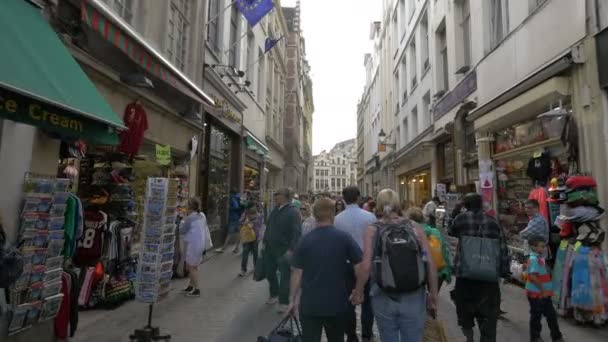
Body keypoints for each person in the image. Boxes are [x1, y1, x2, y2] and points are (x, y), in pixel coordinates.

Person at [353, 189, 438, 341]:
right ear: (398, 205)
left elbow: (366, 266)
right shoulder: (414, 227)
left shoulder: (373, 230)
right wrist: (433, 295)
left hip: (384, 295)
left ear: (378, 205)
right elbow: (428, 261)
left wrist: (358, 291)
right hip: (414, 296)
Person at [286, 198, 366, 342]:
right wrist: (358, 290)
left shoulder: (305, 240)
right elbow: (360, 266)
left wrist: (292, 299)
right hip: (336, 304)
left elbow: (296, 272)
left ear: (315, 215)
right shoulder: (344, 238)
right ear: (333, 214)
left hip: (310, 305)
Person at [448, 193, 510, 342]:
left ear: (465, 204)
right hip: (488, 278)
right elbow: (503, 248)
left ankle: (469, 339)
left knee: (465, 315)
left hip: (466, 276)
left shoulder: (460, 219)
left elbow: (450, 231)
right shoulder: (493, 222)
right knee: (488, 318)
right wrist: (504, 271)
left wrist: (456, 209)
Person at [334, 186, 377, 342]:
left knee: (348, 302)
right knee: (368, 301)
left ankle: (351, 335)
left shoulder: (338, 219)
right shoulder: (370, 217)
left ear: (343, 199)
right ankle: (367, 333)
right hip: (366, 263)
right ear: (358, 198)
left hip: (346, 265)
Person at [263, 188, 302, 312]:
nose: (274, 197)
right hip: (270, 248)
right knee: (269, 271)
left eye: (277, 195)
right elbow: (269, 226)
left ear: (285, 197)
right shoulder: (275, 210)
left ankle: (283, 301)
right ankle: (274, 294)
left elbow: (296, 233)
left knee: (285, 276)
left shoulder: (293, 212)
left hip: (283, 249)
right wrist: (264, 241)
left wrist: (291, 250)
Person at [525, 236, 564, 342]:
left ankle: (556, 336)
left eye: (544, 246)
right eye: (541, 246)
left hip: (542, 293)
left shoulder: (538, 258)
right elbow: (533, 277)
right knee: (537, 316)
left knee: (549, 315)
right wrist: (543, 290)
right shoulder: (534, 259)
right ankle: (536, 337)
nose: (543, 248)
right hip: (537, 294)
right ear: (533, 247)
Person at [406, 207, 452, 291]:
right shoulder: (435, 232)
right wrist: (447, 273)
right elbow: (444, 253)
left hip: (418, 275)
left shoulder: (409, 233)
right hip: (438, 273)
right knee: (432, 301)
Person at [180, 198, 209, 297]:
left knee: (192, 268)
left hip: (193, 245)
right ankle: (190, 285)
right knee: (191, 266)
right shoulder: (202, 215)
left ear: (190, 207)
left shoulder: (189, 218)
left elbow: (182, 231)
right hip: (200, 244)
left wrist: (182, 222)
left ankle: (197, 289)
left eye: (187, 205)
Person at [215, 189, 244, 254]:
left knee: (229, 233)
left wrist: (229, 207)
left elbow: (236, 206)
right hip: (239, 218)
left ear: (231, 193)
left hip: (234, 218)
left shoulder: (233, 198)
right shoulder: (239, 197)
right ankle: (237, 248)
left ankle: (223, 248)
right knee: (239, 233)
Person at [239, 205, 263, 277]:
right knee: (245, 253)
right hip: (247, 238)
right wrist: (245, 222)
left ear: (255, 213)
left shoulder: (259, 216)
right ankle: (243, 269)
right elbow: (240, 221)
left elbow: (258, 226)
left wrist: (250, 222)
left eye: (252, 215)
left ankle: (255, 267)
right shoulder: (246, 215)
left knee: (255, 253)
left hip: (255, 238)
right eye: (250, 215)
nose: (251, 216)